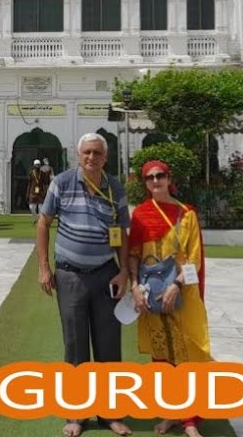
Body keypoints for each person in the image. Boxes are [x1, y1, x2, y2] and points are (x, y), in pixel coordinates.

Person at [36, 133, 132, 437]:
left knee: (108, 346)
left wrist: (124, 272)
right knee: (75, 345)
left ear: (106, 157)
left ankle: (110, 413)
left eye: (98, 153)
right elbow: (43, 222)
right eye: (87, 152)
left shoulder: (115, 187)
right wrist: (43, 267)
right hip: (70, 275)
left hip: (106, 274)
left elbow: (121, 231)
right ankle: (76, 413)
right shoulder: (62, 182)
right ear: (78, 155)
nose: (92, 157)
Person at [128, 160, 211, 437]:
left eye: (160, 176)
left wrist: (176, 285)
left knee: (186, 357)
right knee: (161, 357)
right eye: (150, 178)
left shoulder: (186, 215)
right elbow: (133, 255)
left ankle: (189, 420)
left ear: (169, 178)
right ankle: (169, 413)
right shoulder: (139, 215)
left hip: (181, 295)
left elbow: (195, 258)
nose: (155, 181)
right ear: (145, 183)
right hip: (152, 295)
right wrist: (135, 287)